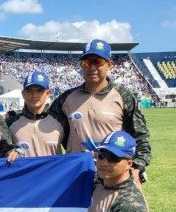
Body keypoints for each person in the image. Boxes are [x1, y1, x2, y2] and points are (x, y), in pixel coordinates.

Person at [49, 39, 151, 185]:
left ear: (109, 64)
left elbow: (140, 136)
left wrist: (138, 166)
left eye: (97, 61)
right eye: (86, 62)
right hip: (76, 174)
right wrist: (12, 118)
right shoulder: (66, 99)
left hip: (113, 175)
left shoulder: (124, 96)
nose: (91, 67)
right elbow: (43, 122)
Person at [8, 71, 65, 157]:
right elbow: (1, 151)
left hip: (54, 170)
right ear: (23, 94)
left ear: (48, 94)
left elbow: (74, 151)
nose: (34, 95)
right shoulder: (10, 122)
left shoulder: (61, 121)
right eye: (29, 91)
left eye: (39, 91)